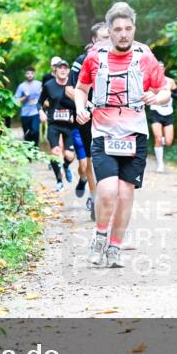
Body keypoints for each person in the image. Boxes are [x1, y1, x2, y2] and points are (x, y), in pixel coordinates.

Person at [74, 2, 170, 268]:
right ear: (109, 31)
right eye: (117, 29)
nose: (123, 34)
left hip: (134, 135)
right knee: (106, 190)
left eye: (128, 28)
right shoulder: (95, 57)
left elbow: (164, 90)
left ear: (134, 29)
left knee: (126, 194)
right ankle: (99, 236)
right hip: (104, 132)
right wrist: (82, 107)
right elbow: (82, 88)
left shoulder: (145, 56)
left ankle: (114, 248)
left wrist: (155, 97)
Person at [68, 21, 109, 219]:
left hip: (113, 116)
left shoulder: (124, 58)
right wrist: (82, 107)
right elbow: (73, 88)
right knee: (91, 160)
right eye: (104, 37)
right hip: (89, 115)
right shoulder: (82, 60)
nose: (109, 41)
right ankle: (95, 198)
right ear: (94, 40)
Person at [40, 58, 78, 191]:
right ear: (55, 69)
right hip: (54, 125)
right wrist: (41, 112)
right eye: (59, 68)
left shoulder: (73, 86)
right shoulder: (49, 85)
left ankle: (67, 167)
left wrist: (76, 114)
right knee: (55, 152)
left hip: (68, 125)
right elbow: (40, 102)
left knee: (69, 155)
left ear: (68, 71)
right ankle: (59, 181)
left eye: (65, 68)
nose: (62, 70)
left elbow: (79, 102)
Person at [147, 64, 177, 173]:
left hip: (168, 112)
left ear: (164, 69)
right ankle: (160, 165)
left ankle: (159, 142)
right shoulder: (150, 81)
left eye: (162, 68)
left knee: (168, 141)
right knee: (159, 138)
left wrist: (169, 91)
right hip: (155, 111)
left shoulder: (170, 81)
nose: (160, 70)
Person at [14, 67, 42, 146]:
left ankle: (36, 149)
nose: (30, 75)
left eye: (31, 73)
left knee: (35, 131)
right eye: (28, 73)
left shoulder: (39, 85)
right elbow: (16, 101)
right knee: (27, 134)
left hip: (36, 112)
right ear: (25, 74)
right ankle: (28, 153)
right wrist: (25, 97)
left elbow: (45, 97)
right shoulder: (21, 86)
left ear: (34, 74)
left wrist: (38, 101)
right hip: (25, 114)